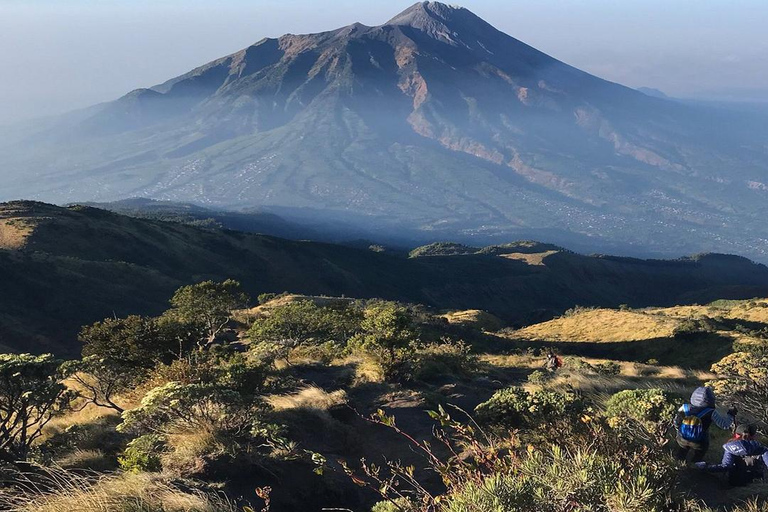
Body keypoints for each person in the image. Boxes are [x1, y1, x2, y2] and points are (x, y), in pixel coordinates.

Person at [673, 386, 736, 462]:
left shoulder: (684, 407)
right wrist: (731, 414)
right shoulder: (711, 412)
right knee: (699, 453)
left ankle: (678, 463)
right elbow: (725, 425)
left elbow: (676, 421)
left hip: (682, 438)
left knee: (681, 452)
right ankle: (695, 464)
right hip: (699, 442)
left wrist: (679, 431)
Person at [699, 424, 768, 486]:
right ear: (752, 436)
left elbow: (725, 466)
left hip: (735, 482)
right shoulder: (761, 449)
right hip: (756, 483)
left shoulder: (730, 447)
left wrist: (704, 467)